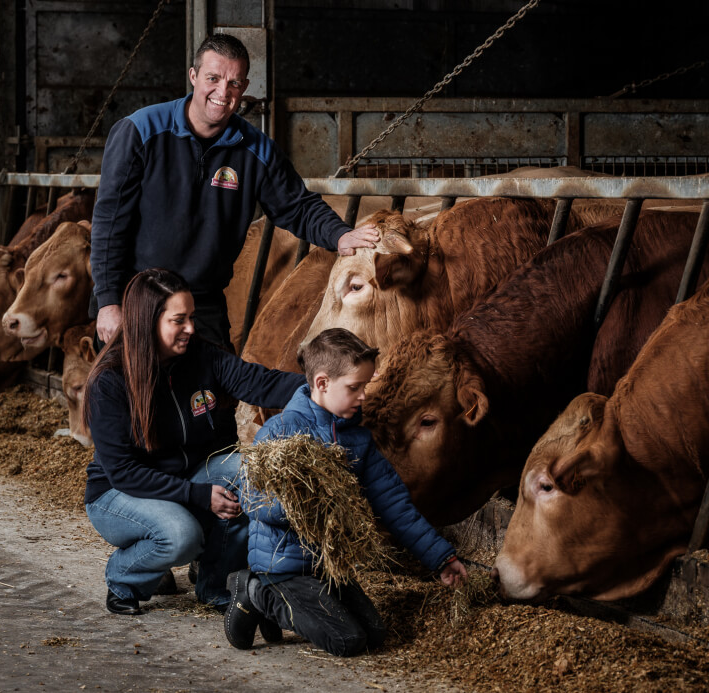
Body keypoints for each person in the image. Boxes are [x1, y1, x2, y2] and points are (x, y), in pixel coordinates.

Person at [91, 33, 380, 350]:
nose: (223, 91)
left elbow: (297, 206)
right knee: (132, 396)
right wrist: (108, 301)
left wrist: (340, 235)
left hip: (201, 303)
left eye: (234, 83)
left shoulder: (256, 150)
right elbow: (109, 221)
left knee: (209, 398)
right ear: (193, 76)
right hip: (138, 296)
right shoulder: (140, 131)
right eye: (213, 78)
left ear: (243, 88)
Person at [224, 328, 468, 655]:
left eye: (365, 386)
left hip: (327, 568)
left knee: (375, 635)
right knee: (346, 640)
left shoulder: (357, 441)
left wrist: (441, 558)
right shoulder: (281, 431)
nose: (364, 396)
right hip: (281, 566)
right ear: (322, 383)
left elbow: (396, 507)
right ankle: (255, 591)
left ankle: (288, 602)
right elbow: (253, 501)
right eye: (355, 388)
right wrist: (309, 504)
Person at [82, 267, 306, 616]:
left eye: (192, 317)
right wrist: (198, 496)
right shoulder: (110, 381)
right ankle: (124, 577)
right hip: (119, 492)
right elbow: (124, 472)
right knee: (180, 536)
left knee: (251, 470)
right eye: (179, 320)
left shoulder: (203, 357)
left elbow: (260, 382)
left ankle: (216, 586)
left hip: (189, 473)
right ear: (147, 322)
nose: (190, 328)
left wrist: (324, 387)